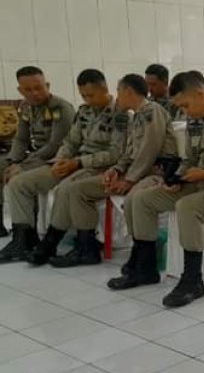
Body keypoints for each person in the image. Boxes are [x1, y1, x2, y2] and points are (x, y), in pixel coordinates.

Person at [107, 71, 204, 309]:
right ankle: (145, 268)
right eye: (181, 107)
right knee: (141, 199)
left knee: (187, 206)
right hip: (199, 182)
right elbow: (189, 159)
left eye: (186, 105)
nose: (185, 112)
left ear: (199, 94)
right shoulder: (195, 119)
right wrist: (177, 178)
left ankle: (192, 280)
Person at [45, 74, 177, 268]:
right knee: (77, 190)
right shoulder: (138, 115)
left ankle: (141, 259)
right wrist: (116, 170)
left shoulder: (152, 111)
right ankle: (86, 248)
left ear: (129, 92)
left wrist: (129, 180)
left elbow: (148, 152)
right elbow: (128, 152)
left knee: (135, 200)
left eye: (118, 91)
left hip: (152, 173)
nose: (117, 96)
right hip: (133, 172)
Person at [0, 69, 121, 264]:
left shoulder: (120, 115)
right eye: (83, 95)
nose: (87, 100)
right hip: (72, 162)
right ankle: (22, 240)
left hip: (97, 166)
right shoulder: (84, 111)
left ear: (105, 89)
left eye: (91, 95)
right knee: (18, 183)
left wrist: (77, 162)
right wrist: (61, 160)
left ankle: (51, 242)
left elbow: (115, 153)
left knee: (66, 188)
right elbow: (70, 142)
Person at [0, 66, 75, 238]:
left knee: (20, 178)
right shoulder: (27, 108)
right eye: (28, 90)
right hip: (35, 156)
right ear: (20, 90)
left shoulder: (60, 108)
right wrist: (13, 161)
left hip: (55, 159)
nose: (34, 93)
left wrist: (22, 166)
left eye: (38, 88)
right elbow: (21, 139)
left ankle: (26, 234)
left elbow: (55, 145)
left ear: (47, 85)